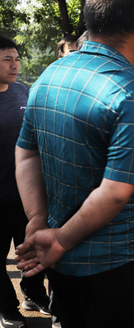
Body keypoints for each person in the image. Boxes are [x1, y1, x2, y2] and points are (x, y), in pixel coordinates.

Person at [14, 0, 134, 328]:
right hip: (117, 266)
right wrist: (59, 239)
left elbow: (26, 155)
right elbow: (114, 192)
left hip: (60, 263)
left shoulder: (49, 76)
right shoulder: (133, 90)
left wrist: (37, 220)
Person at [0, 36, 50, 328]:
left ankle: (34, 295)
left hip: (26, 194)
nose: (15, 64)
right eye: (8, 59)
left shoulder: (23, 93)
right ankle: (7, 307)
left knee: (31, 249)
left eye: (17, 58)